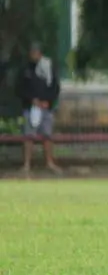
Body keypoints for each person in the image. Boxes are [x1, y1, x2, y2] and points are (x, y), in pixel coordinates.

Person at [16, 42, 62, 176]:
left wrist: (48, 101)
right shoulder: (25, 69)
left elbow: (55, 87)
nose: (34, 54)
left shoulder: (48, 66)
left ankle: (49, 162)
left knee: (47, 136)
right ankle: (27, 164)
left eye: (36, 52)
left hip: (46, 107)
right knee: (28, 136)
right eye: (32, 52)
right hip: (30, 108)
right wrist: (32, 100)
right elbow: (19, 88)